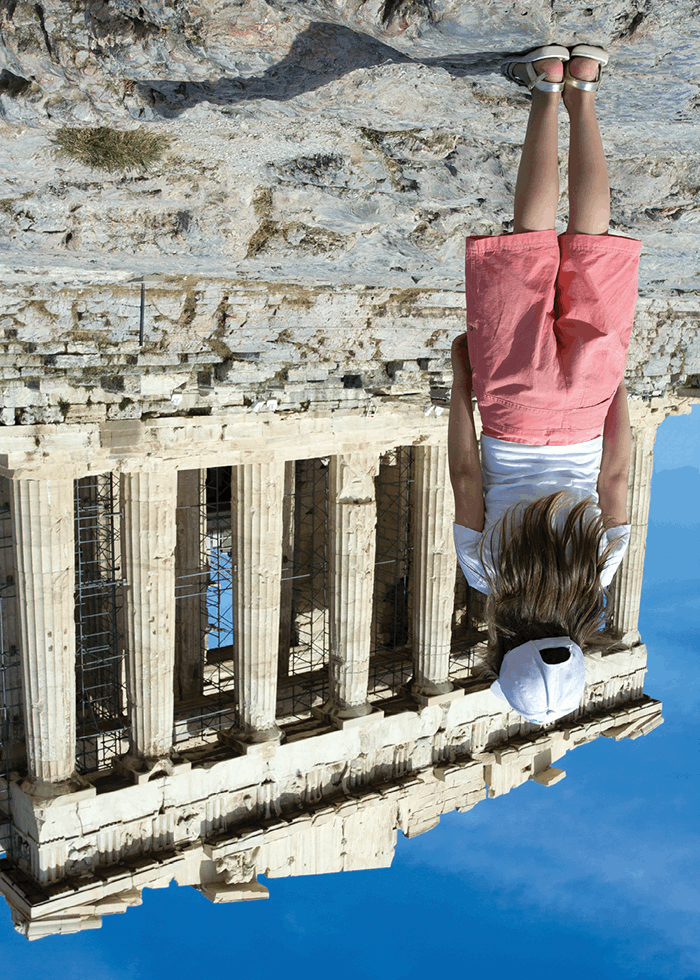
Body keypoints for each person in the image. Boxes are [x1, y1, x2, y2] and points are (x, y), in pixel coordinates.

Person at [448, 44, 643, 726]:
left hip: (588, 409)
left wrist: (616, 392)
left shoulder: (602, 567)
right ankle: (545, 87)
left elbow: (614, 478)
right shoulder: (486, 573)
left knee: (591, 244)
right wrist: (458, 384)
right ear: (502, 653)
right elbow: (468, 477)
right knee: (530, 242)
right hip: (510, 407)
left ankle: (584, 85)